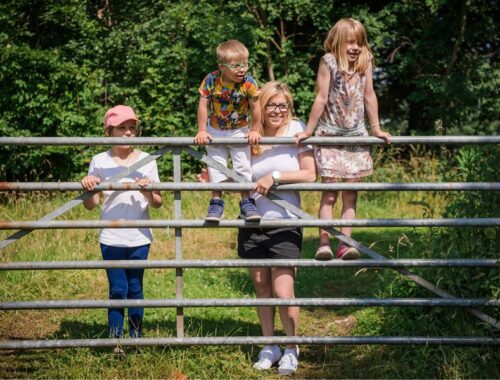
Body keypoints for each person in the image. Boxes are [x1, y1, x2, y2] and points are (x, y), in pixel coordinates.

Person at [199, 81, 316, 374]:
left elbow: (310, 174)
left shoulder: (296, 130)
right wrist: (216, 182)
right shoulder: (249, 136)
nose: (277, 111)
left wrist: (275, 176)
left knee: (283, 290)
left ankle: (291, 347)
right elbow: (240, 178)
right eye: (271, 105)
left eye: (283, 106)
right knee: (262, 287)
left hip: (285, 221)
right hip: (251, 221)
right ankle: (269, 344)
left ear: (290, 109)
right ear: (259, 108)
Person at [295, 18, 391, 261]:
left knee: (351, 195)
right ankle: (324, 243)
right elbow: (321, 98)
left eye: (359, 42)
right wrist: (308, 131)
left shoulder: (365, 61)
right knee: (329, 194)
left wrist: (377, 130)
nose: (355, 47)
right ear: (338, 42)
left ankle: (345, 244)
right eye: (350, 42)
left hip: (356, 136)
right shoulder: (328, 62)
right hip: (330, 135)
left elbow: (369, 96)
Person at [81, 105, 162, 350]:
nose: (128, 132)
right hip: (111, 236)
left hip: (139, 236)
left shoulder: (147, 160)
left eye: (131, 128)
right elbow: (90, 205)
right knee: (117, 289)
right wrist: (89, 187)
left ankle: (135, 337)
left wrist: (149, 191)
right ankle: (116, 340)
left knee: (136, 287)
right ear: (109, 131)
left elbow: (157, 203)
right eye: (121, 128)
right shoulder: (99, 161)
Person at [194, 39, 262, 223]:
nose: (242, 69)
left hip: (240, 129)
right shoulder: (211, 79)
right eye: (235, 66)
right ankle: (216, 203)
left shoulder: (249, 83)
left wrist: (255, 130)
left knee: (243, 165)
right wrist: (201, 130)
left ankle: (247, 201)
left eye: (245, 64)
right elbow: (203, 105)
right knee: (216, 165)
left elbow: (256, 108)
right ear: (221, 67)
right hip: (215, 129)